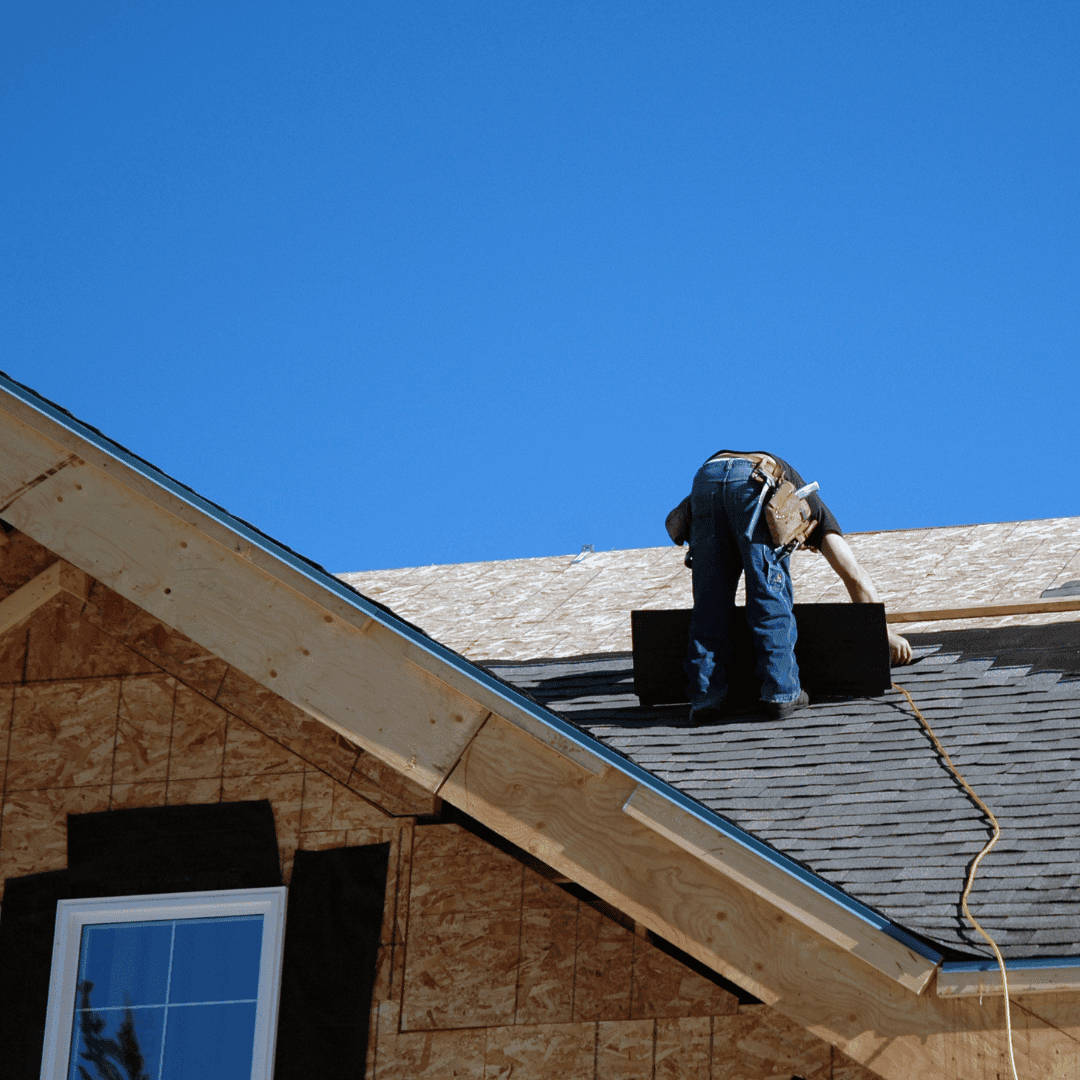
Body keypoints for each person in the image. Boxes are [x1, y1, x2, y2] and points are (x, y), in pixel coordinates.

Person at [672, 450, 912, 723]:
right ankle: (781, 692)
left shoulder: (792, 495)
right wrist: (883, 633)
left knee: (710, 600)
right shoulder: (811, 509)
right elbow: (854, 575)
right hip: (755, 479)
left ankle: (706, 697)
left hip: (706, 479)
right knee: (768, 589)